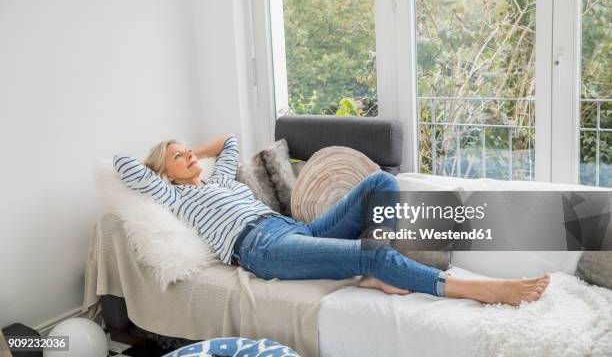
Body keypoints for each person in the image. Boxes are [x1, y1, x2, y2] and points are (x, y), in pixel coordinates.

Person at [113, 134, 550, 305]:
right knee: (371, 255)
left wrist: (198, 154)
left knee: (381, 183)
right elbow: (123, 165)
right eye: (179, 156)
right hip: (261, 249)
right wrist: (165, 164)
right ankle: (487, 290)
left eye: (189, 151)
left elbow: (229, 143)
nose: (190, 156)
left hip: (292, 230)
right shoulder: (168, 192)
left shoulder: (219, 181)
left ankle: (377, 266)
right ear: (163, 170)